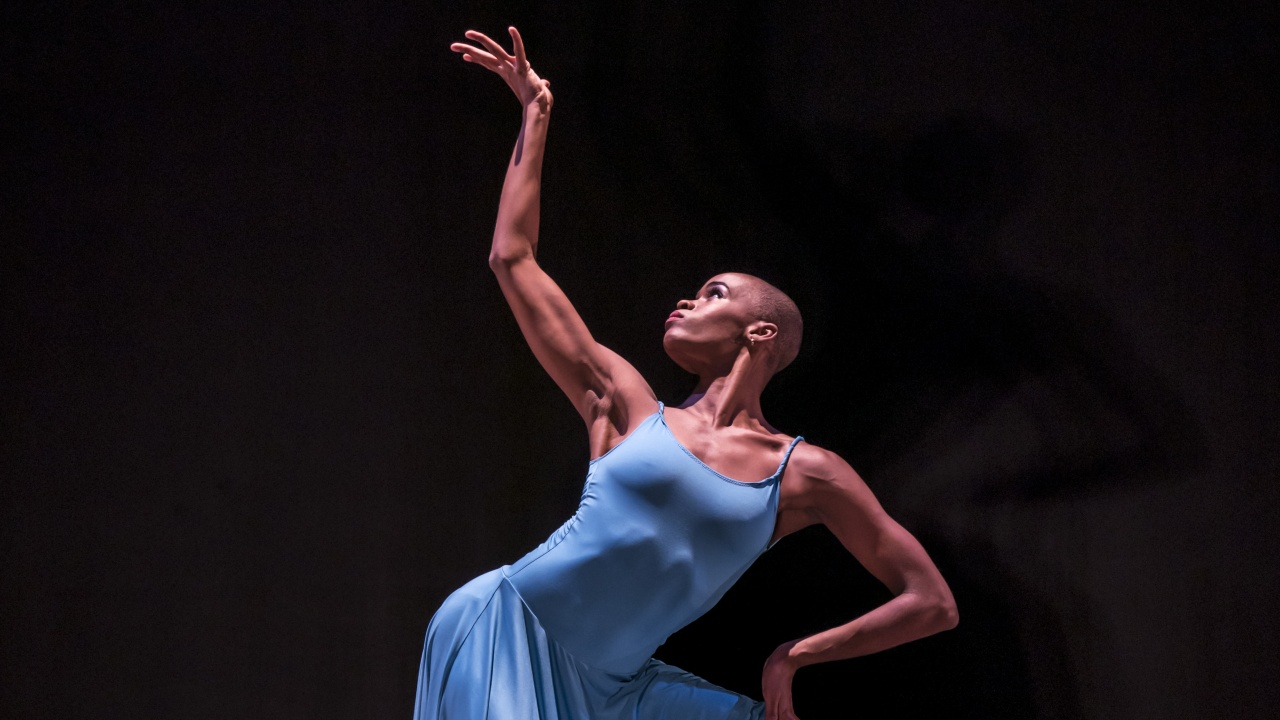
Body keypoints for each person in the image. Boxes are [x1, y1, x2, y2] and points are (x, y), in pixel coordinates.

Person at [417, 27, 958, 720]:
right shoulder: (624, 402)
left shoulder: (805, 475)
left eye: (713, 293)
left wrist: (793, 655)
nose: (685, 300)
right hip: (510, 632)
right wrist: (536, 112)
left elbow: (931, 602)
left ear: (760, 333)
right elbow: (512, 259)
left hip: (618, 688)